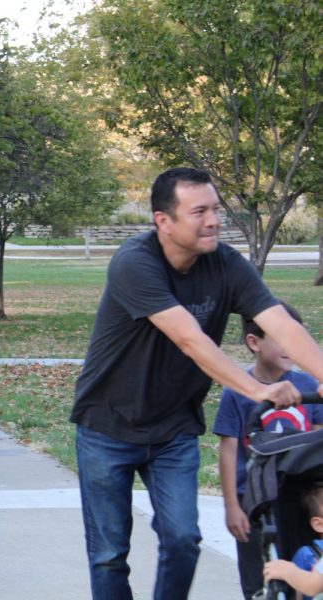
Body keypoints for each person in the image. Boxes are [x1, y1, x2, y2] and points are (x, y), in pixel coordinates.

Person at [68, 167, 323, 600]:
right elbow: (189, 339)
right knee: (109, 553)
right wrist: (257, 390)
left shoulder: (227, 264)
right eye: (199, 211)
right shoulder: (135, 263)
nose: (213, 221)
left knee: (184, 539)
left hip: (174, 431)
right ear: (163, 221)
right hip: (107, 427)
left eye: (216, 209)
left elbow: (280, 323)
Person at [214, 302, 323, 599]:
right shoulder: (239, 391)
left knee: (304, 557)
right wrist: (232, 507)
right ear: (254, 342)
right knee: (256, 573)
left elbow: (317, 443)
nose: (292, 347)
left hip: (298, 493)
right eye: (282, 339)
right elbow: (228, 450)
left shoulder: (307, 385)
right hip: (252, 497)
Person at [264, 484, 323, 600]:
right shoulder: (307, 555)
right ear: (319, 524)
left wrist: (287, 570)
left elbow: (310, 585)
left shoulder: (306, 555)